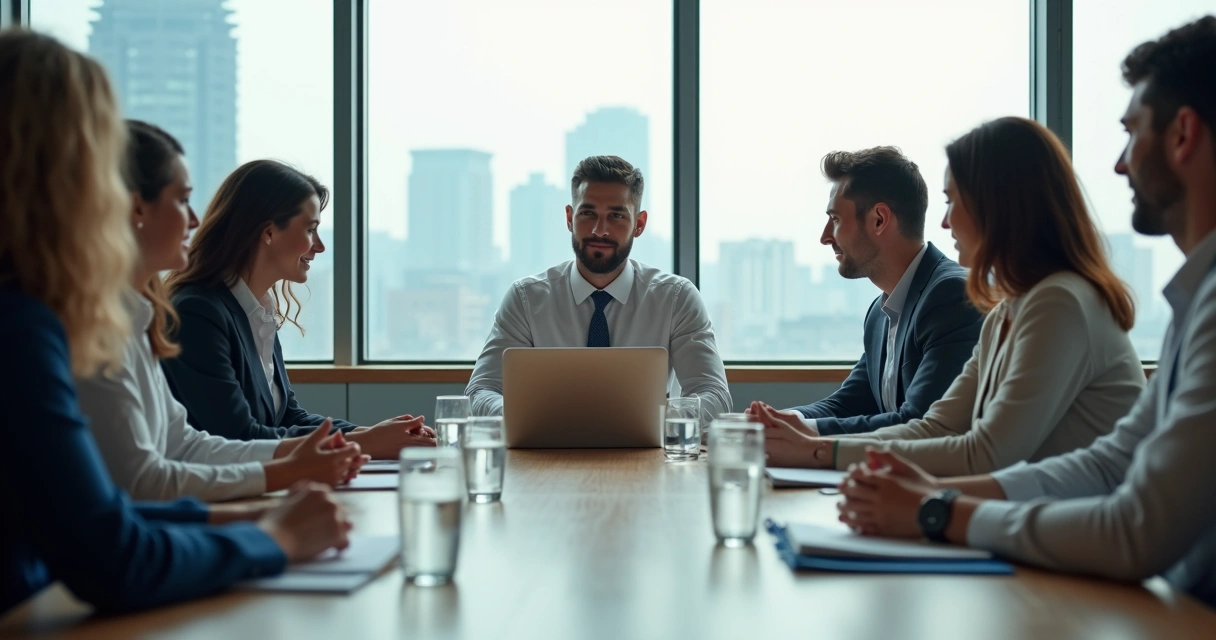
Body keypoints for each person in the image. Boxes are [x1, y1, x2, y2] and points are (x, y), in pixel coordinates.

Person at [836, 15, 1216, 608]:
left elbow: (1133, 526)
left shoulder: (1065, 302)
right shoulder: (1191, 298)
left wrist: (939, 509)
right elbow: (1112, 462)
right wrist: (930, 494)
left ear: (1183, 134)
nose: (1118, 164)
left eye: (1130, 131)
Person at [0, 29, 350, 615]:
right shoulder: (26, 328)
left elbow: (109, 505)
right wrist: (274, 537)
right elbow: (112, 548)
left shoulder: (69, 314)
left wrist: (249, 512)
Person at [760, 117, 1146, 476]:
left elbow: (984, 453)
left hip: (1082, 531)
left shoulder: (1059, 303)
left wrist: (814, 450)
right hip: (1042, 516)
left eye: (951, 202)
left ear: (998, 207)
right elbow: (938, 427)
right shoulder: (1006, 312)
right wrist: (801, 438)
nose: (944, 222)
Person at [75, 120, 366, 501]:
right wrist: (347, 447)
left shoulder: (153, 317)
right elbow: (219, 441)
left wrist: (358, 439)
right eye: (182, 200)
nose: (194, 220)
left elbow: (190, 444)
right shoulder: (192, 313)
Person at [163, 159, 435, 458]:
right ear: (268, 232)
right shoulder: (198, 314)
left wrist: (368, 433)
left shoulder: (257, 311)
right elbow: (239, 437)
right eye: (311, 229)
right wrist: (366, 443)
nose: (319, 246)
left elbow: (290, 417)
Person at [466, 155, 731, 426]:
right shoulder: (526, 299)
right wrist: (532, 417)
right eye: (588, 213)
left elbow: (715, 396)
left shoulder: (675, 298)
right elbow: (481, 391)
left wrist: (651, 419)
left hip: (648, 461)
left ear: (639, 224)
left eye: (616, 215)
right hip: (546, 458)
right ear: (569, 217)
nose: (600, 230)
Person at [746, 147, 982, 435]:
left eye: (834, 218)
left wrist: (802, 434)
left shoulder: (950, 296)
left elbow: (919, 422)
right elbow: (849, 404)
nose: (824, 237)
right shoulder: (880, 313)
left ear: (879, 220)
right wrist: (778, 420)